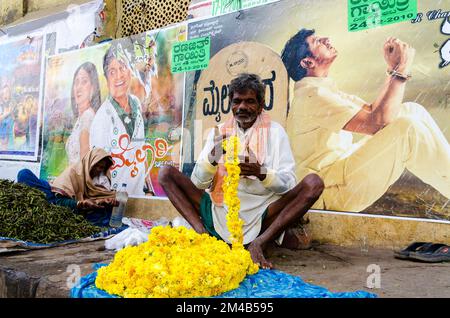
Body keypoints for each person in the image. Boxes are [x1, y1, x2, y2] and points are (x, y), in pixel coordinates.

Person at [159, 73, 324, 269]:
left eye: (249, 102)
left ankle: (259, 243)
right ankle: (203, 235)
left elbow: (287, 185)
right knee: (165, 173)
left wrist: (261, 172)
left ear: (261, 105)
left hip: (262, 212)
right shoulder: (219, 132)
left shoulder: (275, 132)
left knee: (314, 183)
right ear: (231, 103)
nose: (242, 107)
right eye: (237, 101)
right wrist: (213, 157)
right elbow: (198, 183)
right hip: (219, 210)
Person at [281, 29, 450, 213]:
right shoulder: (312, 95)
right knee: (407, 128)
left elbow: (374, 112)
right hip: (330, 191)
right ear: (307, 62)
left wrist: (393, 69)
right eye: (317, 41)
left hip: (341, 173)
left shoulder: (320, 89)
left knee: (411, 110)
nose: (327, 38)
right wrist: (400, 70)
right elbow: (378, 122)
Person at [90, 43, 148, 195]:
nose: (119, 76)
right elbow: (98, 172)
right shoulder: (102, 119)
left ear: (130, 70)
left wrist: (147, 189)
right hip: (116, 203)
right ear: (106, 78)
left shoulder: (135, 103)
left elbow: (140, 147)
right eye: (112, 71)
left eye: (122, 68)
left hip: (139, 200)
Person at [17, 148, 118, 226]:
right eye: (96, 165)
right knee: (24, 174)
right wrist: (80, 203)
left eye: (101, 167)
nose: (98, 169)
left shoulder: (102, 179)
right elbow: (60, 201)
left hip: (73, 209)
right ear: (89, 163)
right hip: (53, 195)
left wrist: (105, 202)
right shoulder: (74, 171)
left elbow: (98, 199)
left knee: (104, 215)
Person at [66, 62, 102, 165]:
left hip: (77, 180)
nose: (78, 87)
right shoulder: (80, 119)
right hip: (71, 178)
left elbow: (83, 167)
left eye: (84, 82)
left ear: (93, 88)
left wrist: (63, 180)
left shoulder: (88, 117)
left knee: (24, 175)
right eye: (76, 82)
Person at [0, 81, 14, 151]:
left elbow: (13, 122)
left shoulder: (11, 106)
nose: (6, 94)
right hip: (2, 141)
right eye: (4, 93)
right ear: (1, 95)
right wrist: (7, 113)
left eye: (7, 92)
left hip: (10, 140)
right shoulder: (0, 107)